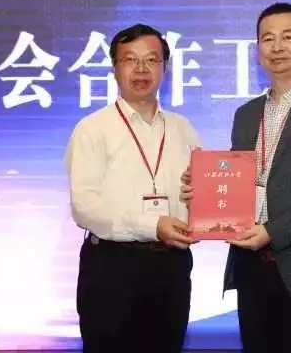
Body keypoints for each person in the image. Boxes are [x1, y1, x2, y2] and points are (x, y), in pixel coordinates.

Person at [181, 3, 291, 353]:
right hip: (252, 269)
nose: (277, 47)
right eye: (268, 39)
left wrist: (271, 231)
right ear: (257, 49)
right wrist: (204, 189)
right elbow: (240, 179)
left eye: (288, 37)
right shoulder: (246, 115)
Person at [65, 24, 200, 353]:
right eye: (130, 60)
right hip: (112, 267)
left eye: (151, 60)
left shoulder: (182, 129)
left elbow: (199, 192)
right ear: (114, 68)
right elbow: (85, 207)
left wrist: (200, 197)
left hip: (171, 266)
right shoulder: (92, 129)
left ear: (165, 68)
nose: (141, 69)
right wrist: (153, 225)